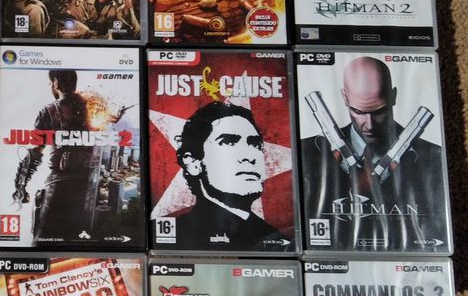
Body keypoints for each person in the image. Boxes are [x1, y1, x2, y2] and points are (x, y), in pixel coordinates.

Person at [301, 56, 445, 250]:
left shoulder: (432, 157)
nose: (369, 125)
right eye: (359, 112)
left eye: (379, 111)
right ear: (345, 97)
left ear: (393, 96)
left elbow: (435, 232)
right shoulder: (308, 153)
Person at [174, 101, 285, 250]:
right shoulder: (176, 236)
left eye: (255, 144)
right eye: (229, 142)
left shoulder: (278, 240)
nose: (249, 156)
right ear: (193, 163)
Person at [12, 70, 95, 244]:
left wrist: (20, 186)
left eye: (51, 83)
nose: (51, 86)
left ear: (56, 82)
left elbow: (35, 152)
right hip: (90, 183)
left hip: (61, 185)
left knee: (43, 241)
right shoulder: (93, 106)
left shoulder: (49, 110)